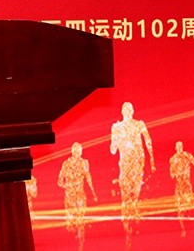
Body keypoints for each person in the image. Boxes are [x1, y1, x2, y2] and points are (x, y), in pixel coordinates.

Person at [109, 101, 155, 248]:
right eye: (125, 109)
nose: (128, 111)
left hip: (137, 164)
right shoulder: (117, 127)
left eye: (130, 109)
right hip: (125, 165)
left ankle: (134, 231)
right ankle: (127, 234)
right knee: (125, 197)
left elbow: (148, 140)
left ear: (133, 111)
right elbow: (113, 150)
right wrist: (117, 138)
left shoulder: (139, 124)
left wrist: (152, 160)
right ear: (122, 111)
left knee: (134, 196)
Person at [57, 142, 98, 251]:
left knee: (77, 223)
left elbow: (60, 182)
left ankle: (79, 246)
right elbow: (60, 181)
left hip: (74, 196)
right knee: (76, 224)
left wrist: (68, 186)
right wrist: (93, 193)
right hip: (75, 196)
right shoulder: (75, 164)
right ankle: (78, 246)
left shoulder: (73, 164)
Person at [168, 140, 194, 237]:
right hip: (179, 185)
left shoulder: (187, 156)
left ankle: (189, 226)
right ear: (175, 148)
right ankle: (183, 229)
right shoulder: (173, 159)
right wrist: (174, 173)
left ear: (182, 147)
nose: (179, 148)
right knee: (180, 208)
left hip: (187, 184)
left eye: (180, 146)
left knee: (188, 206)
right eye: (177, 147)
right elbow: (171, 173)